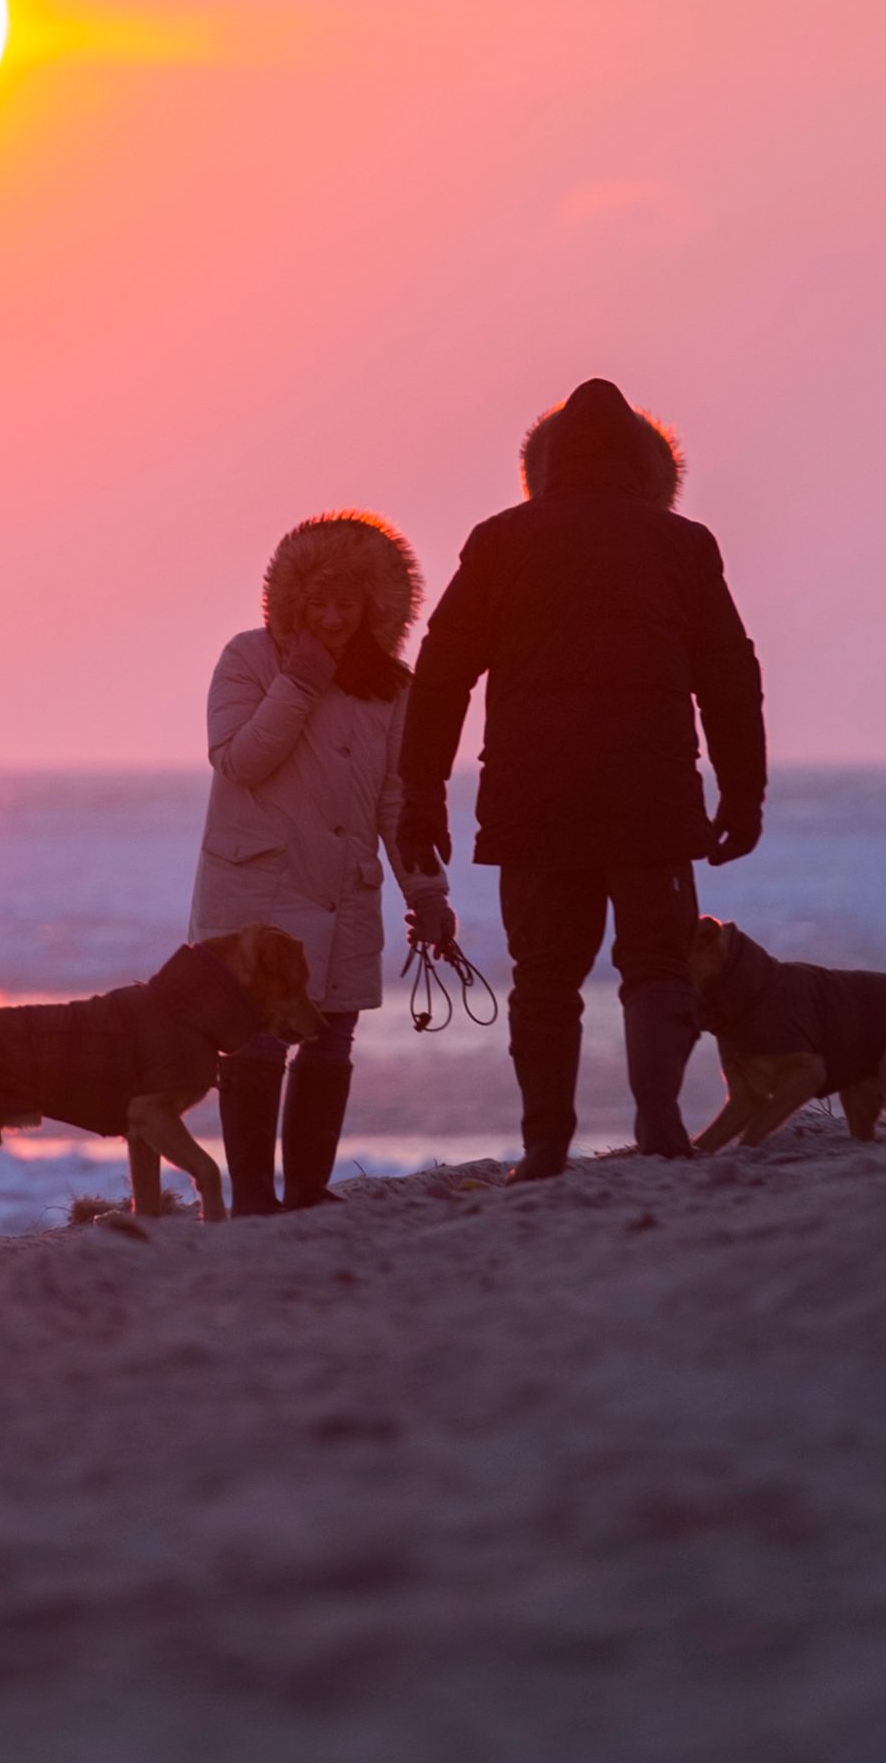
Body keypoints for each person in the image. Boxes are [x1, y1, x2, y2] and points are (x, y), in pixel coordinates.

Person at [394, 379, 767, 1180]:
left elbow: (440, 677)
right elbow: (730, 679)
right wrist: (743, 793)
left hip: (534, 804)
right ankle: (662, 1127)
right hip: (653, 801)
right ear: (644, 463)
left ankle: (542, 1149)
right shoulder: (681, 545)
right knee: (656, 968)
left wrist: (422, 791)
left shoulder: (498, 541)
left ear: (547, 462)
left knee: (543, 981)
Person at [189, 513, 452, 1213]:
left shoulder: (391, 685)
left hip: (343, 889)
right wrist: (299, 682)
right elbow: (240, 761)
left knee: (331, 1036)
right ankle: (250, 1197)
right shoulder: (248, 658)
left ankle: (307, 1190)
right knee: (256, 1039)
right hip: (258, 889)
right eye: (319, 603)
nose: (333, 617)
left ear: (372, 607)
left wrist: (426, 891)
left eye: (347, 604)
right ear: (292, 602)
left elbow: (397, 799)